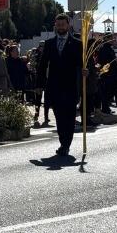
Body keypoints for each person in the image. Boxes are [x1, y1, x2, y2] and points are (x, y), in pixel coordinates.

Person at [36, 13, 83, 158]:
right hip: (54, 87)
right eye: (58, 25)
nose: (61, 27)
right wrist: (39, 84)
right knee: (59, 117)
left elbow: (82, 64)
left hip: (70, 87)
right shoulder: (49, 44)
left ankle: (65, 144)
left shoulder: (77, 43)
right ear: (55, 26)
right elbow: (42, 65)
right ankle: (63, 142)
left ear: (68, 25)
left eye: (63, 24)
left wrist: (85, 72)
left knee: (69, 118)